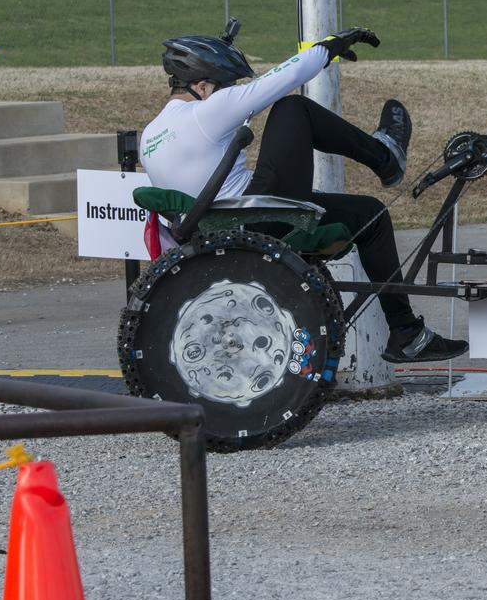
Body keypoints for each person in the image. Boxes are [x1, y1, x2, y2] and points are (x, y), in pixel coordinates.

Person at [140, 24, 467, 363]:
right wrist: (330, 46)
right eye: (229, 87)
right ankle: (386, 158)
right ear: (202, 86)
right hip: (256, 220)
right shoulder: (205, 112)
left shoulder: (149, 138)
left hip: (222, 229)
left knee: (371, 215)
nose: (234, 93)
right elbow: (285, 77)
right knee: (293, 109)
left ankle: (408, 335)